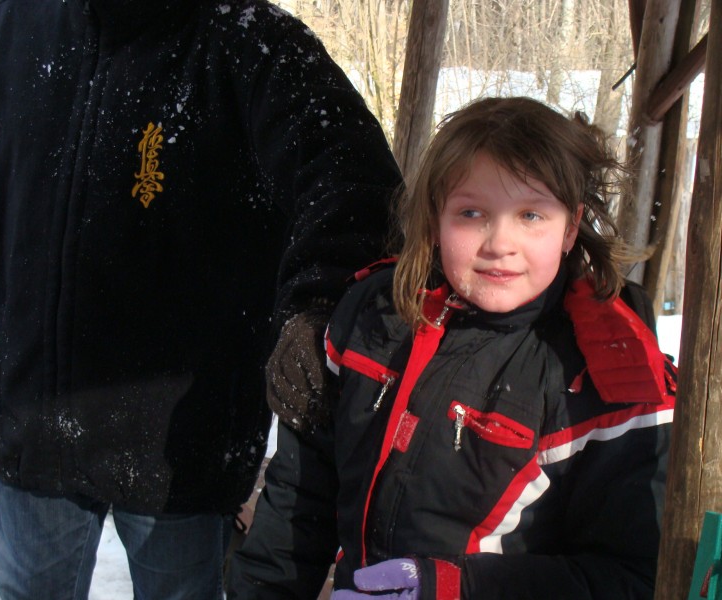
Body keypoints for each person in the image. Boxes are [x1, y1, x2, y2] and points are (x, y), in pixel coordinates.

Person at [0, 0, 402, 598]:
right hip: (34, 429)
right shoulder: (3, 30)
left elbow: (355, 183)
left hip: (181, 447)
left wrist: (319, 305)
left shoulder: (252, 43)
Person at [229, 96, 678, 599]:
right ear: (435, 217)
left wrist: (451, 589)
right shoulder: (375, 314)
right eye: (471, 213)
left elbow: (633, 577)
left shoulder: (610, 378)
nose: (499, 243)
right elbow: (302, 493)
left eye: (531, 214)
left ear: (571, 227)